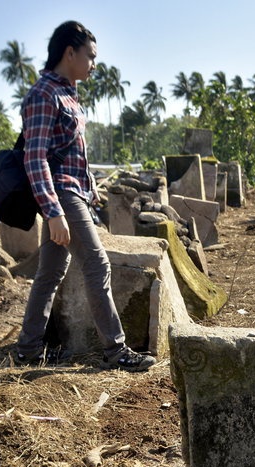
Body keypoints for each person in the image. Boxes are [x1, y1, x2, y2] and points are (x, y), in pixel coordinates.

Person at [15, 20, 154, 372]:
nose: (94, 63)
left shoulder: (66, 93)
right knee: (96, 264)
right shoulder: (45, 93)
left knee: (50, 273)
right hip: (61, 194)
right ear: (69, 52)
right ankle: (116, 350)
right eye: (90, 56)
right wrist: (53, 211)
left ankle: (29, 349)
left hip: (71, 193)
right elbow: (35, 158)